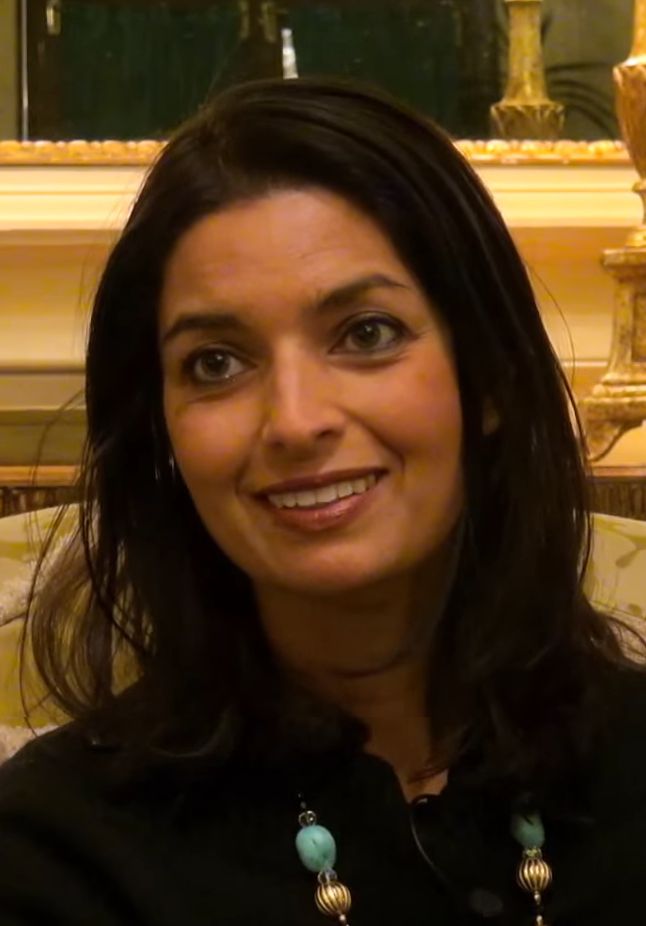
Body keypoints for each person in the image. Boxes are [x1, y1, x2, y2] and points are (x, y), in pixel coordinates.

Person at [0, 76, 645, 925]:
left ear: (487, 377)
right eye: (216, 364)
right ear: (163, 433)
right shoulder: (56, 849)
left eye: (366, 334)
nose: (296, 422)